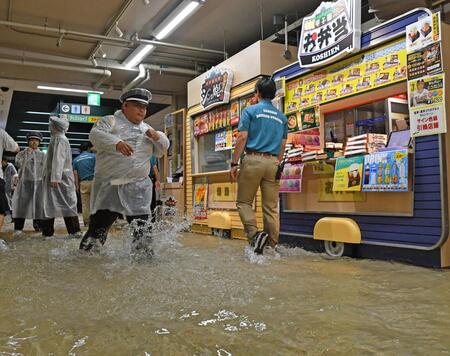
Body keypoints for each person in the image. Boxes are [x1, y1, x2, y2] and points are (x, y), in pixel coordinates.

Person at [79, 88, 169, 252]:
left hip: (138, 188)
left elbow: (161, 151)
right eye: (137, 105)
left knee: (142, 228)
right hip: (111, 187)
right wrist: (116, 143)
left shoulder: (147, 129)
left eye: (144, 107)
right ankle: (86, 258)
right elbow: (95, 135)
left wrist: (158, 137)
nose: (142, 110)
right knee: (99, 227)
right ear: (125, 106)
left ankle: (143, 261)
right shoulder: (110, 121)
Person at [230, 77, 288, 255]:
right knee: (271, 207)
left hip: (253, 160)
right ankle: (271, 245)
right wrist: (276, 162)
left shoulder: (250, 111)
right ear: (274, 94)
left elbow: (241, 138)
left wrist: (234, 162)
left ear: (258, 93)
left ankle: (255, 236)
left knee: (244, 202)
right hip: (273, 162)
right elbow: (283, 144)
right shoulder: (282, 117)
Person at [41, 116, 82, 238]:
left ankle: (75, 232)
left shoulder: (60, 139)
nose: (49, 127)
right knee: (51, 204)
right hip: (58, 178)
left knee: (67, 204)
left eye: (51, 125)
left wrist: (55, 177)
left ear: (55, 127)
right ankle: (48, 232)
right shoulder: (55, 138)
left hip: (61, 179)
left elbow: (58, 159)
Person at [12, 131, 45, 233]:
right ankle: (18, 228)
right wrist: (29, 155)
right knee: (21, 206)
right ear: (28, 141)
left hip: (39, 184)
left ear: (39, 142)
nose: (34, 142)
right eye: (32, 140)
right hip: (25, 184)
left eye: (36, 140)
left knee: (38, 206)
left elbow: (45, 170)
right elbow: (19, 164)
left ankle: (38, 226)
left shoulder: (43, 155)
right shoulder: (21, 154)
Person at [0, 129, 19, 233]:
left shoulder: (10, 165)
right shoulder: (1, 132)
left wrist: (14, 185)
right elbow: (16, 148)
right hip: (3, 184)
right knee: (4, 206)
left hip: (8, 186)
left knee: (9, 202)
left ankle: (13, 218)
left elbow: (15, 175)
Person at [72, 141, 96, 227]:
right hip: (95, 182)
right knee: (96, 203)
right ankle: (97, 222)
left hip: (83, 183)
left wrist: (77, 186)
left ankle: (86, 222)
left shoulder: (76, 160)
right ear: (89, 148)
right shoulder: (94, 157)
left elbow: (75, 174)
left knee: (85, 205)